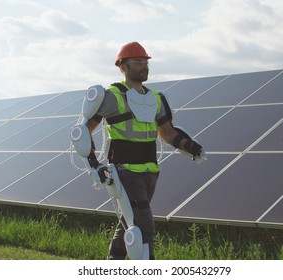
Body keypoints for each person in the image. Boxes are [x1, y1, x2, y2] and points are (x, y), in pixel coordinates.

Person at [72, 41, 205, 260]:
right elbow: (84, 132)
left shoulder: (156, 99)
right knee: (143, 225)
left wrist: (189, 146)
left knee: (129, 223)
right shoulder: (110, 97)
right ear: (122, 66)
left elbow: (167, 132)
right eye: (137, 62)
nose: (144, 66)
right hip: (124, 171)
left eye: (145, 62)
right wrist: (94, 165)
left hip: (150, 171)